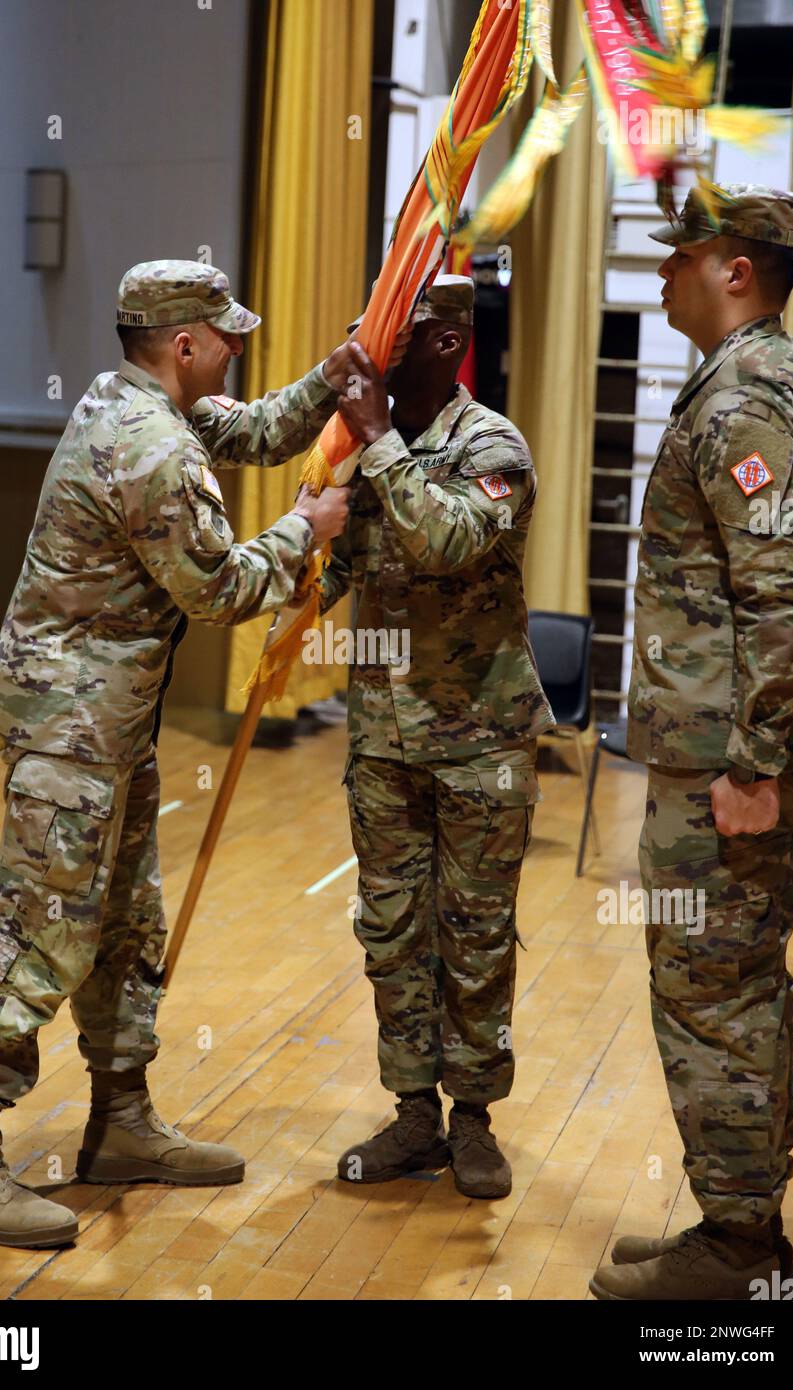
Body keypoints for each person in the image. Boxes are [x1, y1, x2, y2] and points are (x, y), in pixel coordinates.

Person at [0, 259, 352, 1248]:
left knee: (122, 922)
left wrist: (337, 375)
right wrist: (306, 528)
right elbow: (219, 591)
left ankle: (120, 1122)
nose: (238, 346)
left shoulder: (136, 398)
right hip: (69, 724)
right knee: (35, 928)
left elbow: (252, 431)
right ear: (185, 344)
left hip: (106, 718)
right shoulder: (148, 443)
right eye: (226, 334)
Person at [589, 186, 793, 1300]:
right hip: (728, 744)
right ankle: (744, 1223)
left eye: (684, 256)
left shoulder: (747, 400)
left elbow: (785, 592)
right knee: (733, 983)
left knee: (711, 988)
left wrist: (753, 765)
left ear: (737, 270)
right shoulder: (762, 382)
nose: (666, 272)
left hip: (730, 761)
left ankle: (737, 1249)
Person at [322, 275, 554, 1200]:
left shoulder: (490, 444)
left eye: (394, 336)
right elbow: (339, 556)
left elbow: (447, 541)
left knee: (476, 934)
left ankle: (475, 1118)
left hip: (481, 739)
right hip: (383, 735)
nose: (370, 349)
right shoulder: (366, 447)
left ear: (445, 346)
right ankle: (414, 1112)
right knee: (390, 929)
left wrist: (378, 440)